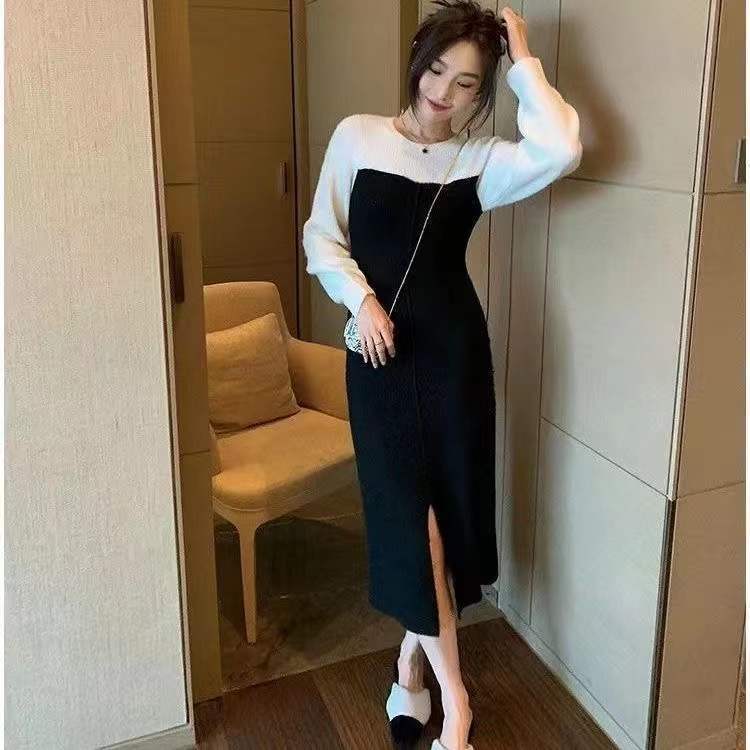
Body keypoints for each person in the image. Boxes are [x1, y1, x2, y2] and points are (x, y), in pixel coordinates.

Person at [302, 2, 582, 748]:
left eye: (467, 83)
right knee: (408, 522)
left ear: (483, 91)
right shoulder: (358, 136)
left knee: (443, 521)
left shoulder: (481, 160)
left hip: (454, 357)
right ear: (415, 61)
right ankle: (457, 703)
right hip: (379, 360)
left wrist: (522, 59)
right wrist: (360, 301)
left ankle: (412, 672)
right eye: (435, 71)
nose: (443, 93)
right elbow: (322, 235)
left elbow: (561, 146)